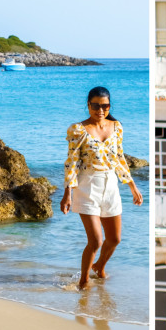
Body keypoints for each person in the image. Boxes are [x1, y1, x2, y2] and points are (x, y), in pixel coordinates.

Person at [60, 86, 142, 289]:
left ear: (109, 106)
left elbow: (119, 158)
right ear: (88, 105)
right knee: (96, 241)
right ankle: (83, 281)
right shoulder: (78, 130)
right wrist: (67, 193)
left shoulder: (116, 127)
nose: (100, 110)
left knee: (114, 239)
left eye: (104, 106)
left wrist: (132, 185)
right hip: (87, 186)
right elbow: (72, 162)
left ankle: (99, 267)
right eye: (95, 105)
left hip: (111, 185)